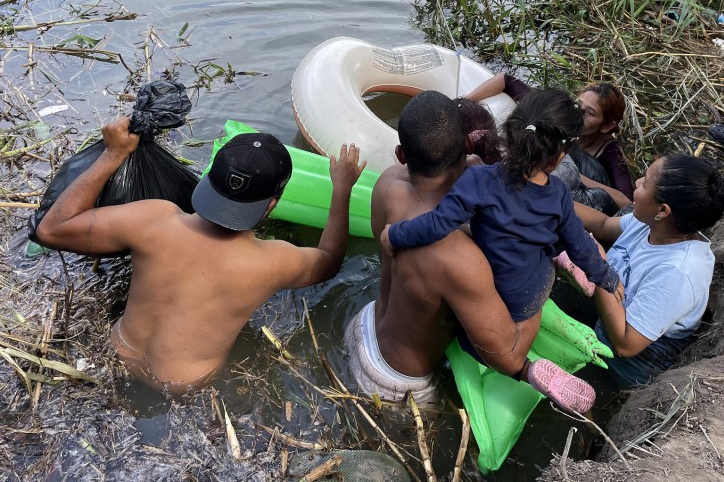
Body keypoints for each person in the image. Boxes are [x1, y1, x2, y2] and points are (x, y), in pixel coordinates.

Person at [36, 118, 366, 395]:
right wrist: (342, 189)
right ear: (271, 205)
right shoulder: (272, 262)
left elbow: (51, 229)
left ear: (208, 178)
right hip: (183, 385)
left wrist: (112, 153)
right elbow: (329, 260)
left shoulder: (153, 220)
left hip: (115, 355)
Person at [346, 91, 594, 412]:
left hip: (363, 325)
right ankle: (532, 375)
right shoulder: (459, 255)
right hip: (395, 384)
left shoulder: (387, 182)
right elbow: (508, 357)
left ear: (401, 155)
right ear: (467, 147)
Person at [572, 154, 724, 388]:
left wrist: (598, 266)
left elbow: (625, 344)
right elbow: (602, 225)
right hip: (607, 316)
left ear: (663, 210)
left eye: (646, 182)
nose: (637, 182)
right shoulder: (652, 224)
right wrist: (549, 196)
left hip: (625, 366)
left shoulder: (678, 272)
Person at [465, 72, 635, 201]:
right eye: (577, 104)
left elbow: (625, 200)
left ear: (607, 125)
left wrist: (577, 177)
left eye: (589, 113)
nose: (577, 113)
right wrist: (465, 101)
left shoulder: (611, 151)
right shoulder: (559, 117)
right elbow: (505, 80)